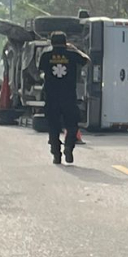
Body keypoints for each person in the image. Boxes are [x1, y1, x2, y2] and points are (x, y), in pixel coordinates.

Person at [38, 32, 90, 165]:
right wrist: (74, 49)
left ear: (51, 42)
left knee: (53, 127)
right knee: (72, 125)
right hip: (68, 97)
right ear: (66, 42)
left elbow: (41, 70)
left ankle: (56, 154)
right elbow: (87, 60)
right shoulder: (72, 55)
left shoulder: (46, 55)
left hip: (51, 97)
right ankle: (68, 148)